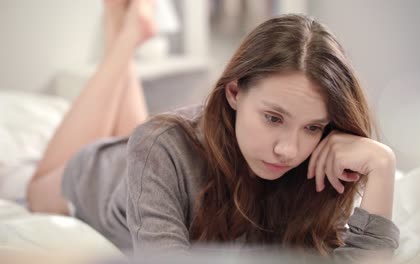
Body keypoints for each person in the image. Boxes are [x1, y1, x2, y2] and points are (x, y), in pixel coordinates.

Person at [27, 0, 399, 261]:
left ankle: (126, 26)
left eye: (313, 127)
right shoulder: (159, 149)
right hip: (103, 178)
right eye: (273, 118)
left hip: (155, 157)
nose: (288, 149)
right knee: (35, 189)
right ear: (234, 92)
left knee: (147, 136)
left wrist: (383, 167)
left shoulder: (317, 167)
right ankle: (122, 37)